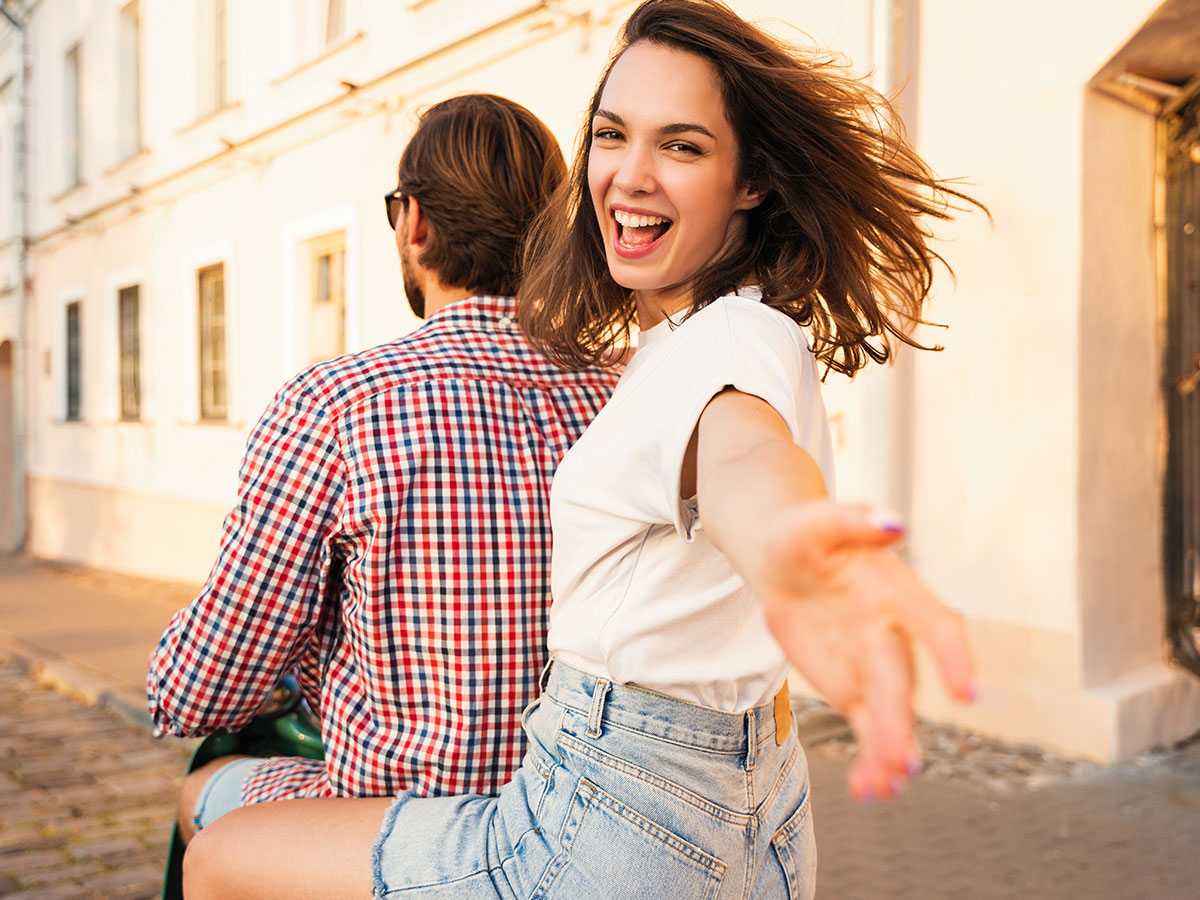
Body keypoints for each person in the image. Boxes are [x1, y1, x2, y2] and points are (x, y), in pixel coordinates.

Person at [182, 1, 979, 897]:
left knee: (216, 853)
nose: (631, 176)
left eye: (681, 146)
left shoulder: (729, 344)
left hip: (601, 823)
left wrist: (799, 546)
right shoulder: (660, 353)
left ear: (751, 180)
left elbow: (741, 454)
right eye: (612, 135)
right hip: (746, 805)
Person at [147, 93, 620, 844]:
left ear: (414, 222)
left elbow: (197, 692)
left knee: (205, 787)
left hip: (406, 828)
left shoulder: (337, 403)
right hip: (586, 825)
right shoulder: (625, 389)